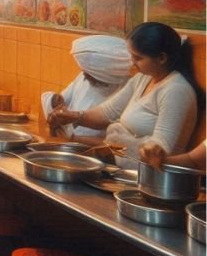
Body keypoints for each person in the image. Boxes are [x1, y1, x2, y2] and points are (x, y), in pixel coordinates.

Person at [48, 22, 197, 169]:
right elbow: (107, 113)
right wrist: (71, 117)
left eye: (138, 58)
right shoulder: (143, 78)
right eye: (131, 56)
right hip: (128, 168)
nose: (132, 63)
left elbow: (159, 150)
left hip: (153, 178)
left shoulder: (176, 91)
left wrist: (80, 140)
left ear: (162, 58)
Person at [39, 35, 131, 142]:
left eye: (89, 72)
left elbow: (119, 146)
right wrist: (55, 101)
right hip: (70, 145)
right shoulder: (85, 77)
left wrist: (74, 138)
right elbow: (60, 103)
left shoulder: (127, 90)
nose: (84, 76)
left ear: (106, 73)